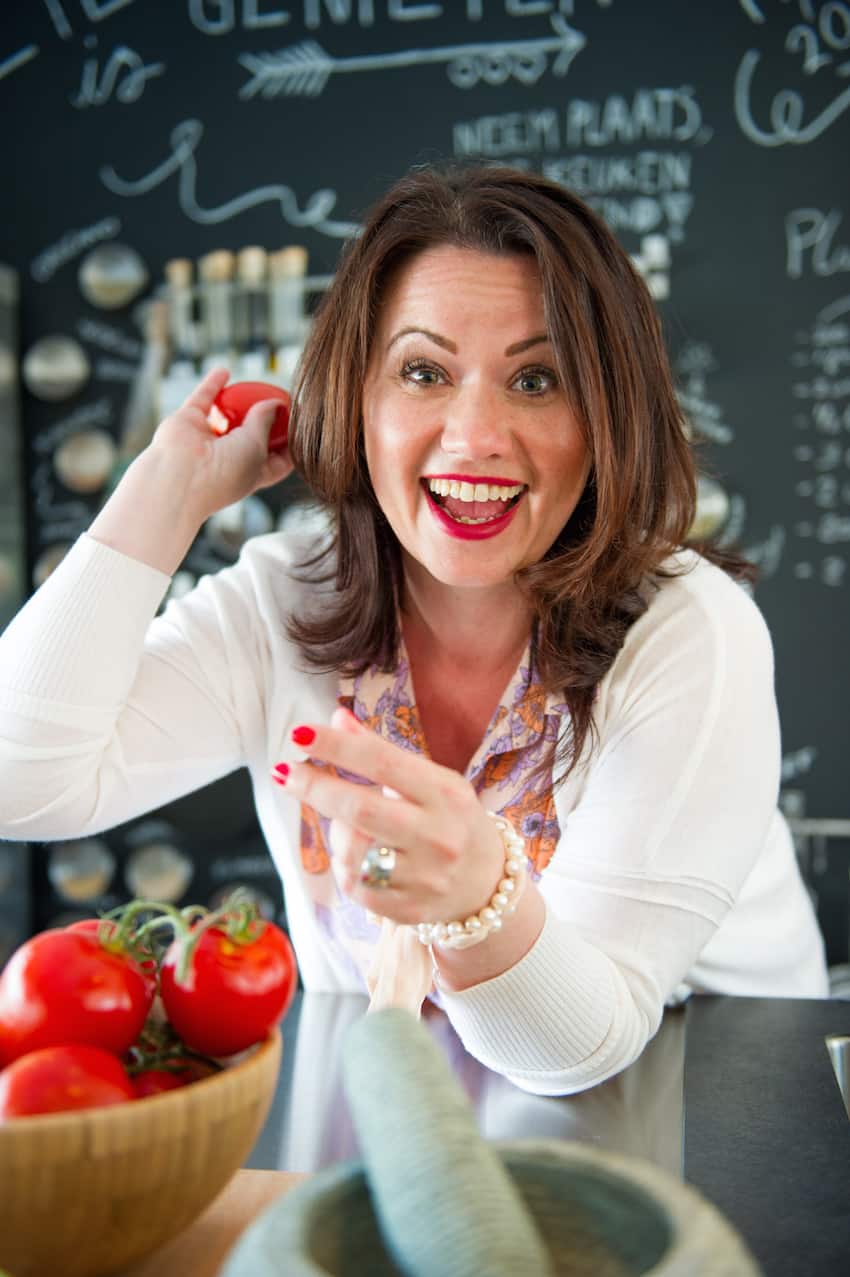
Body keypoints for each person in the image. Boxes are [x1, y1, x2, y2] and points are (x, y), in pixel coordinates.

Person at [0, 165, 828, 1096]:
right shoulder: (283, 598)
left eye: (537, 379)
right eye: (424, 372)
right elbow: (20, 784)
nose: (474, 436)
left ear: (607, 419)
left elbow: (585, 1045)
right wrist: (167, 491)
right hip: (411, 1109)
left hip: (729, 1100)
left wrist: (478, 899)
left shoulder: (690, 632)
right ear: (354, 400)